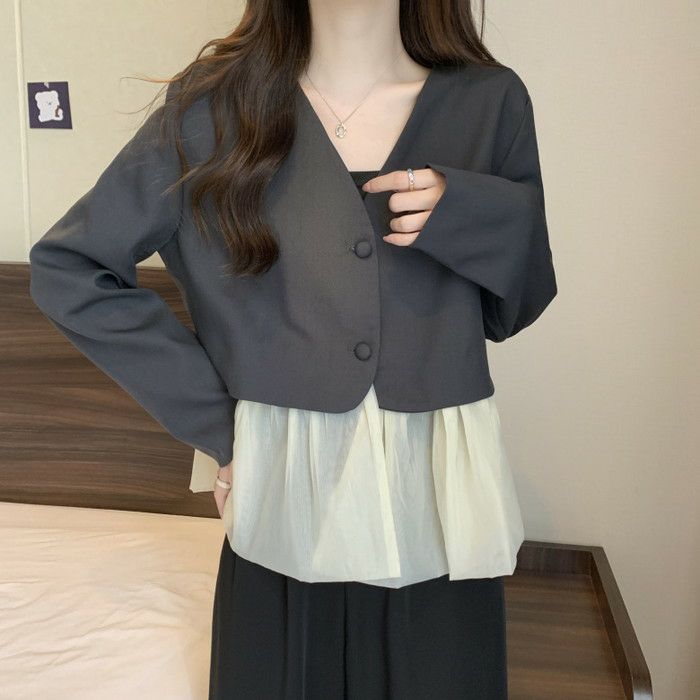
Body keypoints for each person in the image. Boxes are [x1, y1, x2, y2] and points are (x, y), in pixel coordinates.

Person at [29, 1, 557, 698]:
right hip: (284, 496)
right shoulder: (212, 107)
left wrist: (469, 214)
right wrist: (221, 426)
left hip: (436, 501)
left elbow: (517, 306)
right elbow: (71, 268)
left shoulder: (491, 102)